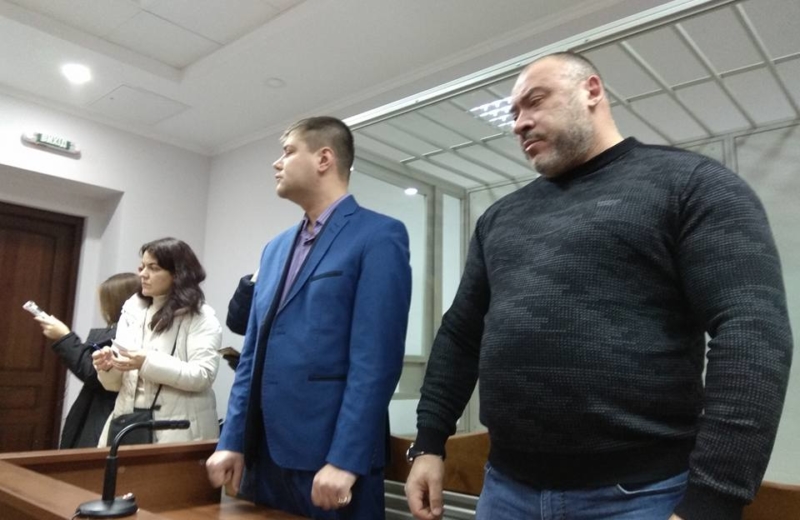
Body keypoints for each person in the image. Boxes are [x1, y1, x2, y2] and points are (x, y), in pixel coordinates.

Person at [405, 51, 793, 520]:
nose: (519, 123)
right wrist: (428, 443)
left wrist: (712, 501)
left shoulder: (692, 184)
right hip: (506, 491)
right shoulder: (499, 219)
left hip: (642, 497)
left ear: (591, 90)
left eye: (534, 102)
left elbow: (751, 333)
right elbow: (461, 335)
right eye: (512, 114)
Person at [206, 116, 412, 519]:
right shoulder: (275, 248)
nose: (276, 163)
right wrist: (231, 440)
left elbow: (376, 360)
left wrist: (346, 459)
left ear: (324, 158)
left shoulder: (379, 235)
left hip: (330, 462)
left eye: (287, 151)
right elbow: (252, 356)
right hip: (262, 457)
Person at [92, 237, 222, 446]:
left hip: (179, 431)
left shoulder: (200, 316)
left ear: (177, 273)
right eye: (142, 267)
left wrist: (146, 362)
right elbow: (116, 386)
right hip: (127, 424)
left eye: (153, 268)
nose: (142, 274)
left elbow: (203, 376)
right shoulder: (132, 311)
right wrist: (109, 367)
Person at [34, 273, 141, 449]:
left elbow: (92, 373)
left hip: (106, 415)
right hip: (97, 411)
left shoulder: (125, 335)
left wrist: (64, 336)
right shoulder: (118, 331)